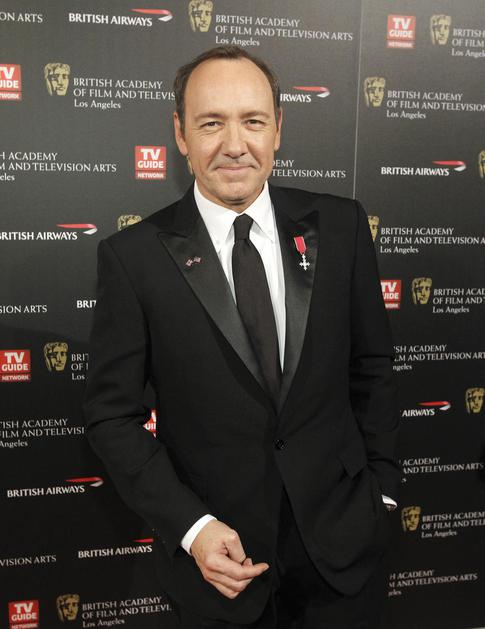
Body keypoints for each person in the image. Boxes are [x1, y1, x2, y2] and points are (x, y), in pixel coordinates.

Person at [83, 45, 401, 628]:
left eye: (252, 121)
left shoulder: (342, 226)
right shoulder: (133, 258)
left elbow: (372, 368)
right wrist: (193, 528)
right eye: (211, 123)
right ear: (180, 134)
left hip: (345, 556)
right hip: (219, 569)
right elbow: (112, 417)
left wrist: (381, 494)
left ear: (278, 128)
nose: (235, 144)